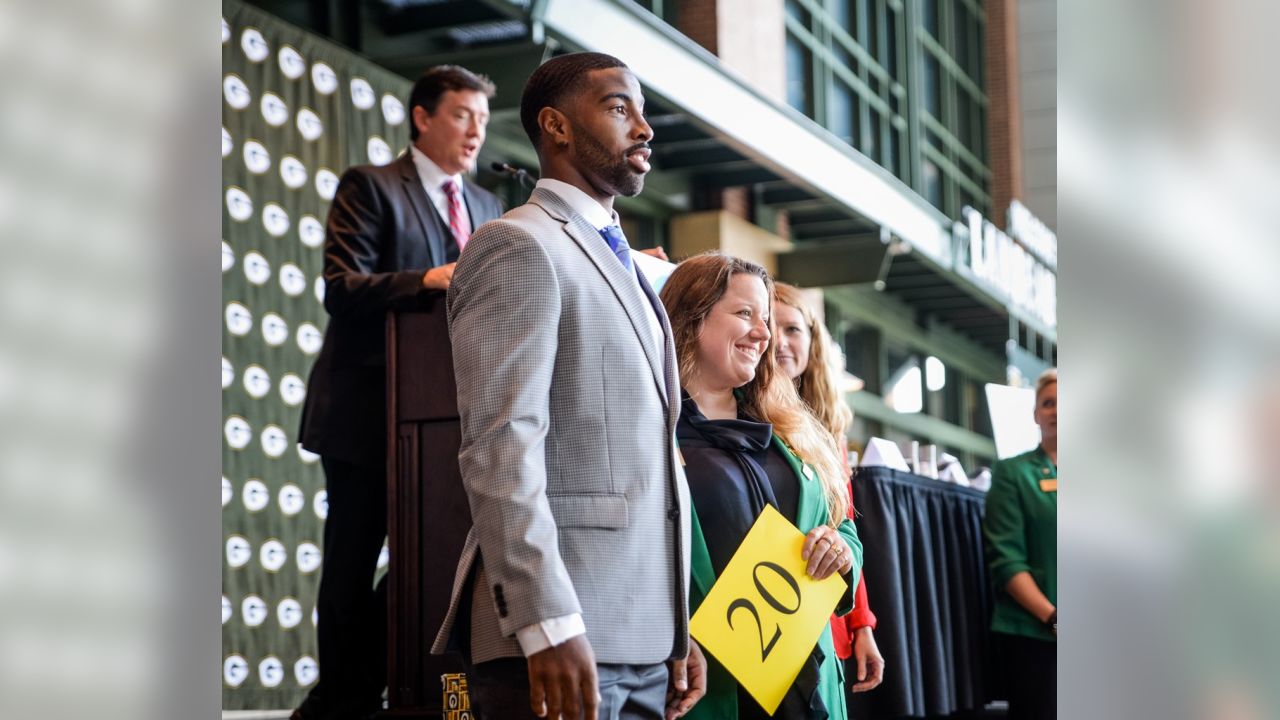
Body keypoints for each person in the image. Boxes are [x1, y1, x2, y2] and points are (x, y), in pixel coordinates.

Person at [432, 52, 705, 720]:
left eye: (643, 112)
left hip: (644, 637)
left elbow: (650, 466)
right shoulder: (517, 245)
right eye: (619, 108)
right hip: (560, 636)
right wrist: (546, 620)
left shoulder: (634, 267)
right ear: (554, 126)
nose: (643, 128)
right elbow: (500, 447)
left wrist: (677, 626)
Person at [293, 65, 503, 720]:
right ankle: (341, 702)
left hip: (452, 425)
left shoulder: (492, 210)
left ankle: (359, 688)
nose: (476, 131)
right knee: (353, 564)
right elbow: (340, 286)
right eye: (463, 114)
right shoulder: (373, 187)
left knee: (436, 558)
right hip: (366, 416)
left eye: (483, 120)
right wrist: (426, 280)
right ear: (423, 116)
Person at [659, 252, 863, 719]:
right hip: (711, 689)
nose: (764, 333)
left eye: (766, 319)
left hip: (806, 689)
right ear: (692, 318)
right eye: (745, 313)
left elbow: (842, 527)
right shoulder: (650, 434)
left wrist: (841, 550)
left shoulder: (790, 430)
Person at [773, 282, 885, 695]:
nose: (781, 342)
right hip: (769, 617)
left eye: (793, 329)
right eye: (771, 326)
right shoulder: (738, 419)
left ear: (812, 340)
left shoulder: (829, 433)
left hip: (827, 612)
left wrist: (862, 625)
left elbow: (844, 529)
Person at [983, 368, 1057, 719]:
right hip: (1035, 635)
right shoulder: (1012, 473)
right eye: (1048, 403)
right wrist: (1055, 617)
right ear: (1035, 414)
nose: (1057, 411)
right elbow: (1006, 560)